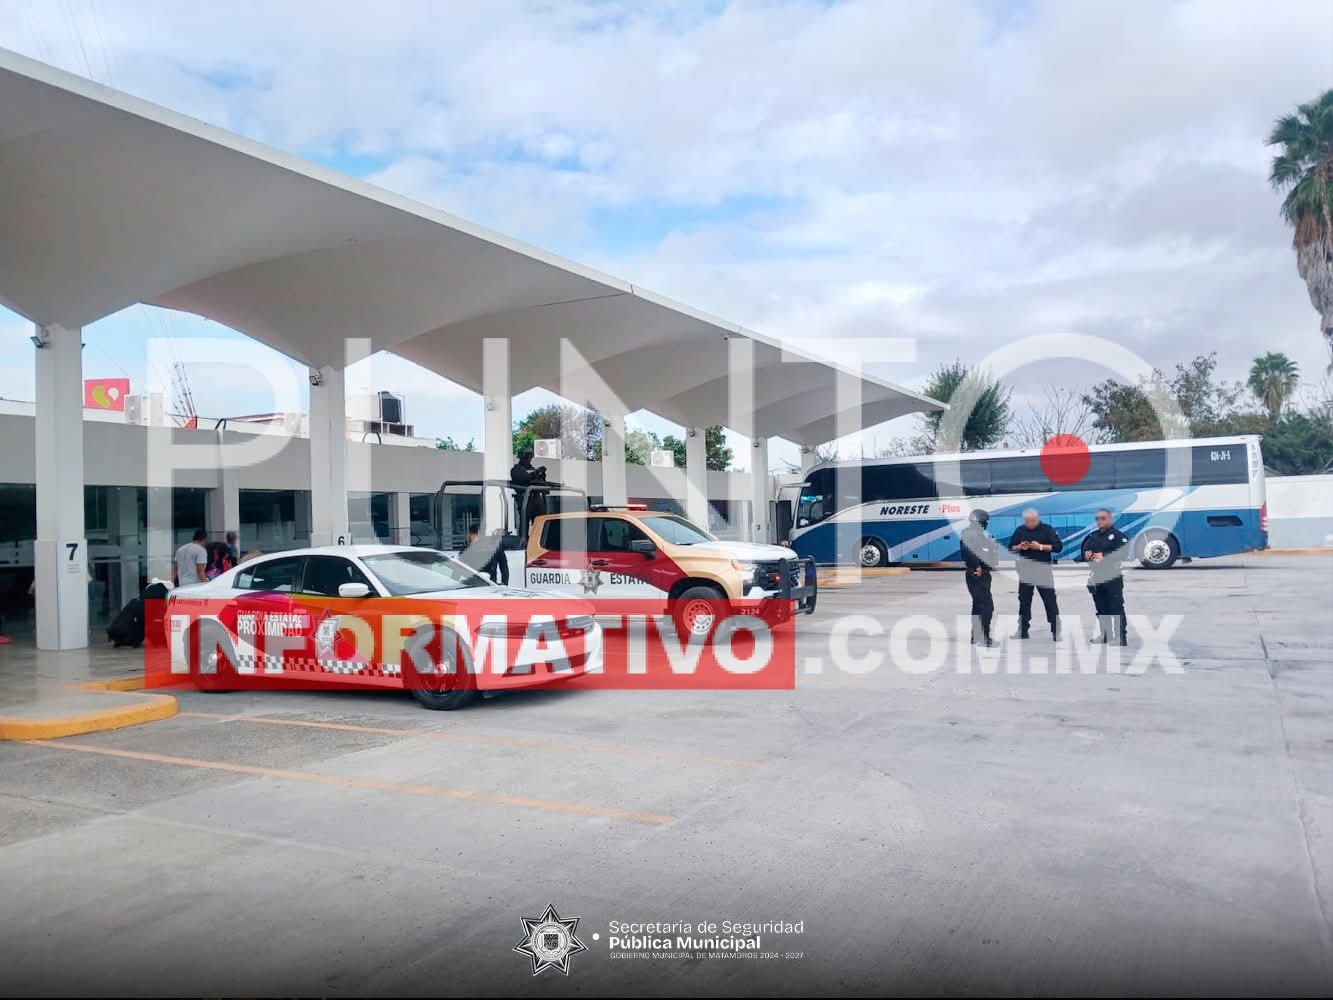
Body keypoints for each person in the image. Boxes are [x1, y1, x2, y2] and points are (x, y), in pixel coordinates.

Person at [1008, 508, 1063, 639]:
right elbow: (1011, 548)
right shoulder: (1020, 530)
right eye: (1027, 521)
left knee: (1049, 600)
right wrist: (1020, 547)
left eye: (1032, 521)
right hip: (1025, 571)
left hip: (1043, 570)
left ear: (1037, 519)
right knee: (1024, 601)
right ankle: (1022, 630)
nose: (1030, 524)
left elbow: (1058, 547)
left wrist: (1040, 547)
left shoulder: (1047, 529)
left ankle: (1056, 630)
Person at [1079, 508, 1129, 645]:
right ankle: (1105, 635)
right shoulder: (1093, 536)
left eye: (1103, 518)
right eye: (1097, 519)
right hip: (1097, 576)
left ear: (1110, 519)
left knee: (1116, 607)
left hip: (1112, 576)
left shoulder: (1117, 536)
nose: (1099, 521)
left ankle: (1120, 637)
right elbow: (1085, 549)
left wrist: (1105, 556)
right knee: (1101, 607)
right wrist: (1087, 554)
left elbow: (1124, 553)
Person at [960, 509, 999, 646]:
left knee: (978, 605)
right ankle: (984, 637)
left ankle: (976, 636)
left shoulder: (977, 533)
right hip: (977, 573)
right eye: (985, 522)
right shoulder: (970, 534)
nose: (986, 524)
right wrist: (976, 566)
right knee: (987, 606)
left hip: (981, 572)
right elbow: (968, 551)